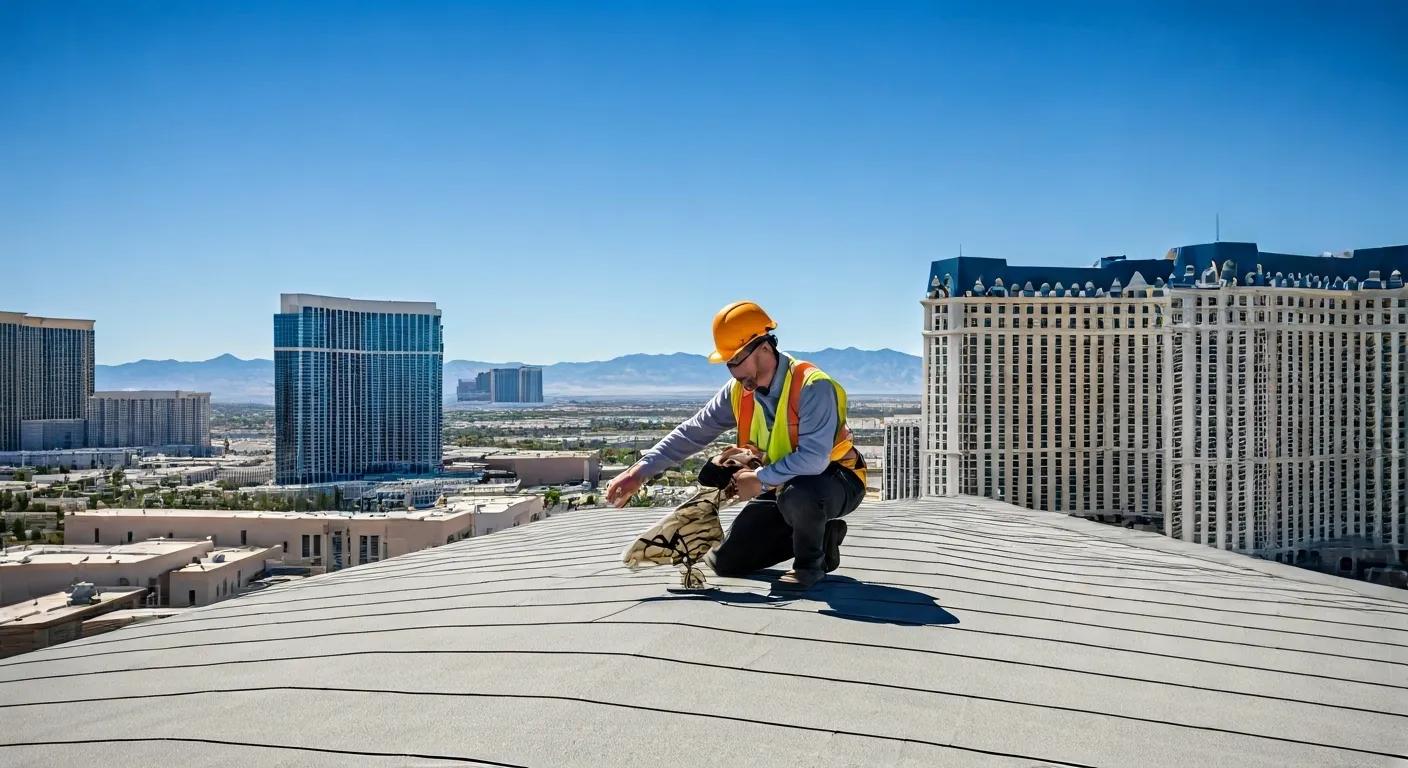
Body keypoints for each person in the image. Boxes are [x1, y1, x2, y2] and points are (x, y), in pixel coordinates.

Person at [605, 300, 867, 590]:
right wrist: (639, 471)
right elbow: (693, 432)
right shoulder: (738, 391)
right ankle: (823, 535)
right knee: (726, 561)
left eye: (736, 360)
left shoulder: (812, 386)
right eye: (728, 363)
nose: (732, 371)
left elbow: (815, 460)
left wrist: (758, 479)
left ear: (764, 348)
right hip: (782, 483)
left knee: (799, 495)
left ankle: (810, 565)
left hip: (835, 479)